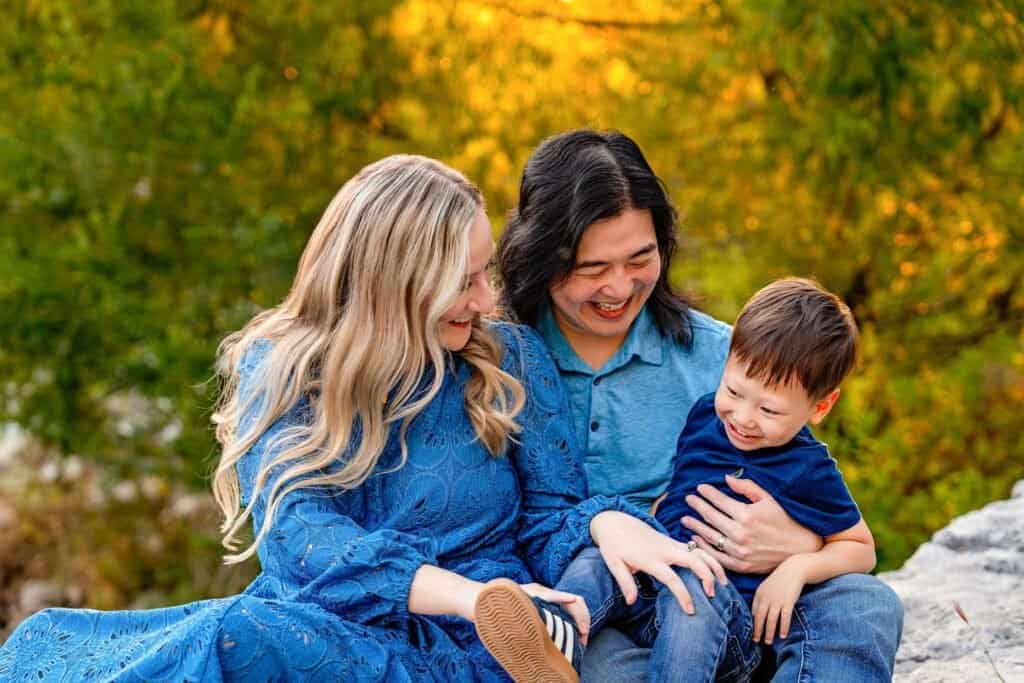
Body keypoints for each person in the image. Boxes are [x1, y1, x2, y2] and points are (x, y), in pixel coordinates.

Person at [0, 155, 722, 682]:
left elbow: (549, 514)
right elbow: (301, 543)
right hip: (333, 633)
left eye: (485, 274)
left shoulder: (508, 355)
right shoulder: (284, 368)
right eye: (463, 281)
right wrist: (469, 596)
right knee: (99, 643)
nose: (486, 298)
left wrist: (605, 521)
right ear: (391, 282)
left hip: (488, 647)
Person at [497, 129, 904, 680]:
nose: (619, 287)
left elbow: (808, 486)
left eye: (640, 258)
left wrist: (799, 544)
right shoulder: (501, 362)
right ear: (542, 256)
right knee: (600, 661)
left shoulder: (723, 358)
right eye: (593, 268)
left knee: (864, 604)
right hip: (623, 614)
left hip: (748, 603)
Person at [552, 277, 882, 681]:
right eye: (734, 391)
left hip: (724, 626)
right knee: (598, 560)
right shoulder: (707, 416)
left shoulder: (808, 467)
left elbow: (861, 549)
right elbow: (679, 492)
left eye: (769, 410)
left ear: (820, 407)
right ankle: (551, 631)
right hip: (656, 587)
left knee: (696, 585)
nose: (743, 418)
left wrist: (795, 568)